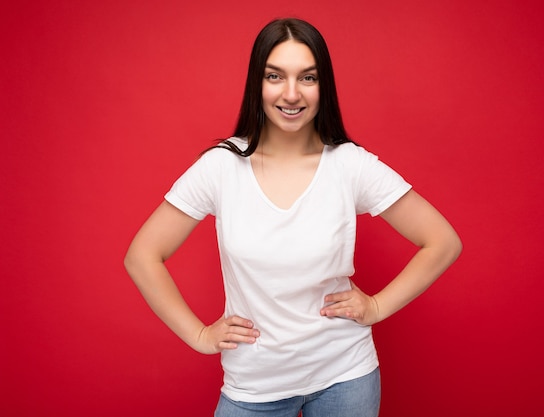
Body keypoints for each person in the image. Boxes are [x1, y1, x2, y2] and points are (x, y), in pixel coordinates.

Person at [124, 17, 462, 417]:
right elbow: (142, 255)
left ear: (323, 87)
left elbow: (443, 241)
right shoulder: (221, 166)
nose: (290, 93)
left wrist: (376, 307)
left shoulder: (349, 165)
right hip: (254, 384)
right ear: (257, 83)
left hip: (346, 377)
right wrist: (199, 334)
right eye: (274, 76)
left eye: (307, 78)